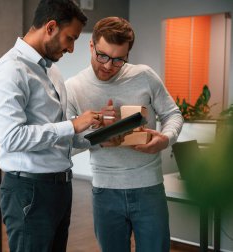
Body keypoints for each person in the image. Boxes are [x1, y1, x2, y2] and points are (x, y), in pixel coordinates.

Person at [0, 1, 104, 251]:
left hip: (60, 188)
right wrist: (72, 124)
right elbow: (12, 138)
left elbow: (62, 140)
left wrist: (101, 137)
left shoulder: (53, 72)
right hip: (29, 192)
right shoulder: (11, 70)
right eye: (70, 39)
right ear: (50, 27)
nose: (72, 49)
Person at [65, 17, 184, 252]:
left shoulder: (145, 76)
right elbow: (68, 143)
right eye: (103, 56)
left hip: (148, 188)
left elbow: (173, 114)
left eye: (119, 59)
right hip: (105, 191)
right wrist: (99, 135)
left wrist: (165, 139)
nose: (109, 65)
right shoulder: (73, 87)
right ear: (91, 45)